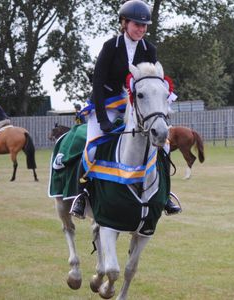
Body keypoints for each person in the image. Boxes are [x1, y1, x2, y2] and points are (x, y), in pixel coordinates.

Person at [70, 0, 180, 219]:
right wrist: (102, 119)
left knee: (164, 146)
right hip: (108, 103)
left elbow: (153, 83)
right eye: (136, 24)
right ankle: (81, 194)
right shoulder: (111, 46)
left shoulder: (150, 49)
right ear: (124, 23)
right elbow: (98, 83)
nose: (140, 29)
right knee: (91, 148)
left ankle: (164, 194)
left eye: (144, 25)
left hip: (135, 106)